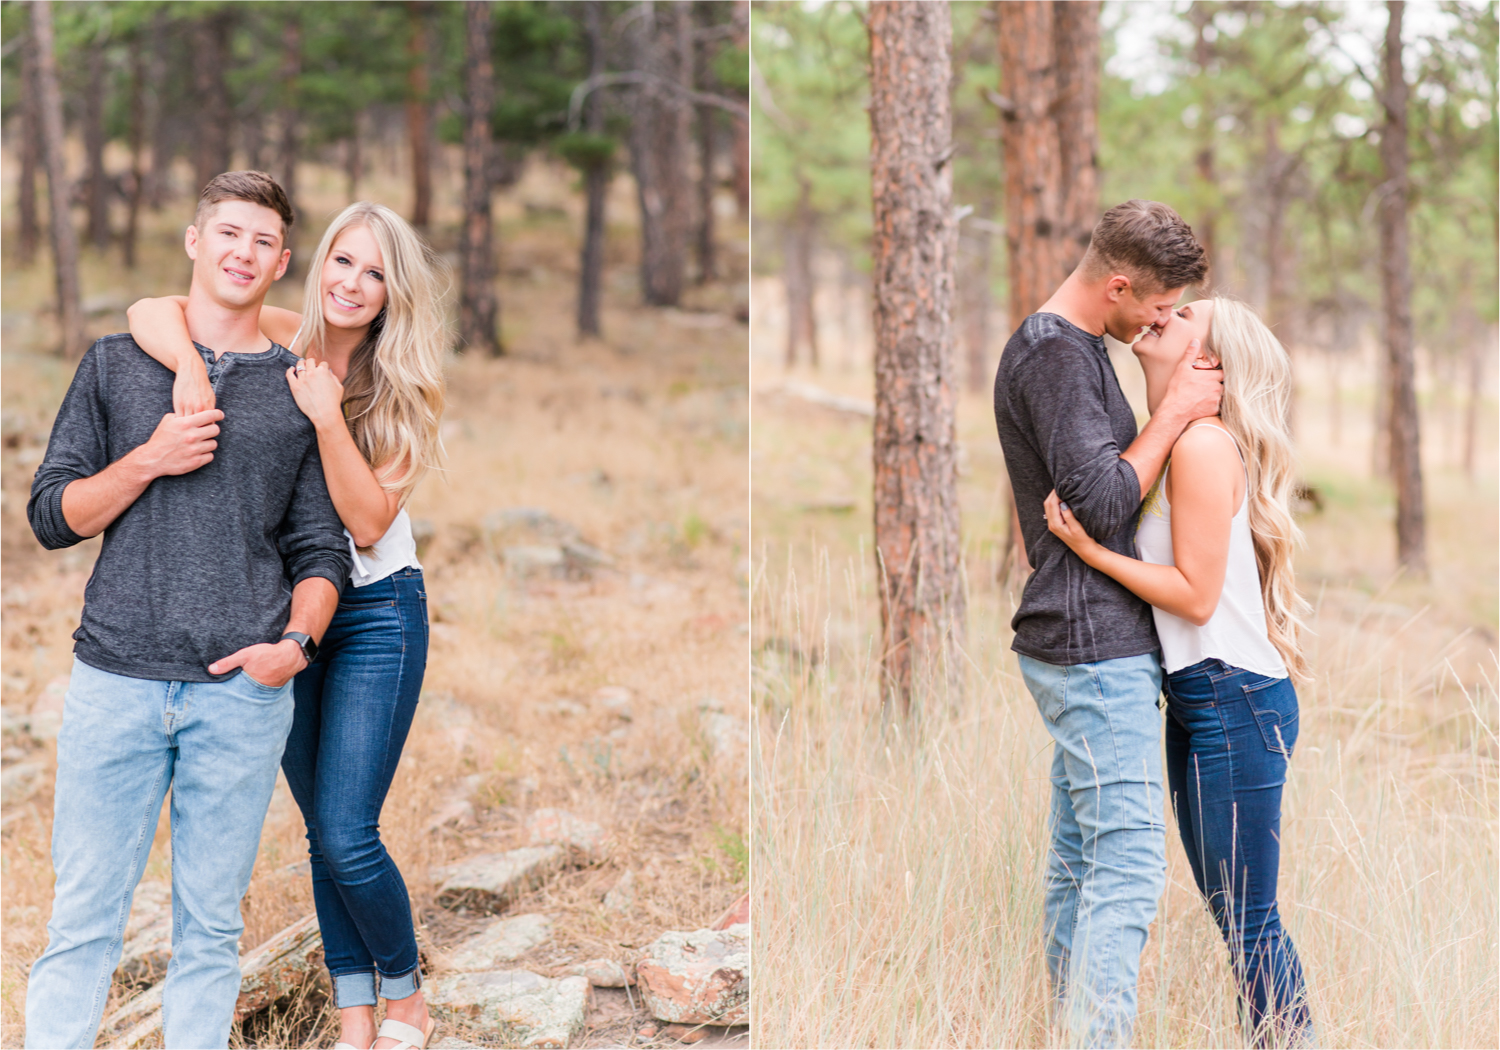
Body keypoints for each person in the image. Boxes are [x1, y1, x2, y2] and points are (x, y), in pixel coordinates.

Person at [25, 171, 350, 1049]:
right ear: (194, 242)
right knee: (83, 920)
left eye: (262, 242)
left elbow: (323, 550)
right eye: (228, 234)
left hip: (239, 695)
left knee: (209, 930)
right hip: (114, 682)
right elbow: (52, 516)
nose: (242, 253)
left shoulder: (297, 387)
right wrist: (148, 459)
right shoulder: (115, 363)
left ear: (283, 262)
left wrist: (292, 646)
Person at [127, 199, 447, 1050]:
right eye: (343, 261)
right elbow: (149, 311)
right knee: (317, 833)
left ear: (393, 291)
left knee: (349, 831)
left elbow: (371, 521)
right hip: (289, 609)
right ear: (315, 263)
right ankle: (353, 1015)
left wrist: (325, 413)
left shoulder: (409, 383)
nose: (353, 283)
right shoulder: (279, 329)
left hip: (376, 614)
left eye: (375, 272)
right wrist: (191, 369)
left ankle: (407, 995)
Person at [1044, 296, 1314, 1047]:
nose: (1162, 313)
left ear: (1211, 361)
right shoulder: (1171, 442)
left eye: (1183, 313)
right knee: (1233, 916)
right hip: (1200, 699)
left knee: (1249, 923)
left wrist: (1093, 552)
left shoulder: (1201, 446)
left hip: (1236, 698)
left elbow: (1196, 598)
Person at [992, 199, 1221, 1048]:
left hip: (1081, 642)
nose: (1164, 320)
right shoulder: (1056, 356)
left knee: (1083, 864)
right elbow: (1096, 500)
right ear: (1119, 285)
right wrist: (1174, 417)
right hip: (1092, 647)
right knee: (1127, 869)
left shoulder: (1070, 349)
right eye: (1159, 305)